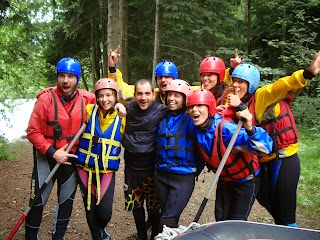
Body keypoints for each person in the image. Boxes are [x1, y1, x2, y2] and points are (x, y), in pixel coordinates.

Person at [226, 52, 320, 227]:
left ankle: (290, 232)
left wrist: (308, 74)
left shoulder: (263, 95)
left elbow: (282, 86)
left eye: (241, 82)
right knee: (268, 202)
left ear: (251, 85)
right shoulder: (236, 97)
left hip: (284, 160)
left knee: (284, 213)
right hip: (264, 162)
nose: (236, 85)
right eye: (235, 80)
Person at [25, 57, 96, 240]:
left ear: (77, 78)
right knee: (37, 202)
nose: (66, 81)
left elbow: (108, 100)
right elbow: (33, 131)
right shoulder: (45, 100)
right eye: (62, 76)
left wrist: (119, 104)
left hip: (70, 160)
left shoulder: (88, 99)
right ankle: (31, 236)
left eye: (71, 76)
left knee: (65, 203)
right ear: (57, 77)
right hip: (46, 158)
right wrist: (52, 152)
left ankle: (58, 237)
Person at [187, 88, 273, 221]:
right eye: (191, 106)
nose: (194, 110)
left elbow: (265, 148)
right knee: (221, 219)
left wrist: (250, 128)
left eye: (199, 105)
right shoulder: (195, 127)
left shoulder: (226, 130)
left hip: (247, 180)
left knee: (236, 222)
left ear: (209, 108)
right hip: (225, 179)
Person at [74, 78, 126, 240]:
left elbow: (138, 100)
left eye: (109, 95)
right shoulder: (89, 110)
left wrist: (122, 104)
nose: (105, 99)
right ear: (96, 97)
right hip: (84, 169)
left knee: (104, 214)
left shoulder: (122, 116)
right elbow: (74, 94)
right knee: (90, 208)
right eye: (101, 95)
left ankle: (102, 229)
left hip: (106, 170)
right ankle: (98, 237)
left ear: (116, 96)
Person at [122, 79, 170, 240]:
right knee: (135, 206)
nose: (143, 97)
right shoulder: (127, 108)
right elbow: (107, 99)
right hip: (131, 169)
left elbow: (184, 103)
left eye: (147, 93)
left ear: (153, 94)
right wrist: (118, 105)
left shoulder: (162, 110)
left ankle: (155, 235)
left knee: (153, 207)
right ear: (134, 95)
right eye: (140, 94)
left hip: (151, 169)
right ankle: (141, 235)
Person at [154, 79, 200, 230]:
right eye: (169, 95)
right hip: (161, 174)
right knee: (166, 216)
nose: (172, 99)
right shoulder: (161, 117)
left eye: (177, 96)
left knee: (167, 219)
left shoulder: (192, 120)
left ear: (185, 99)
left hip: (183, 177)